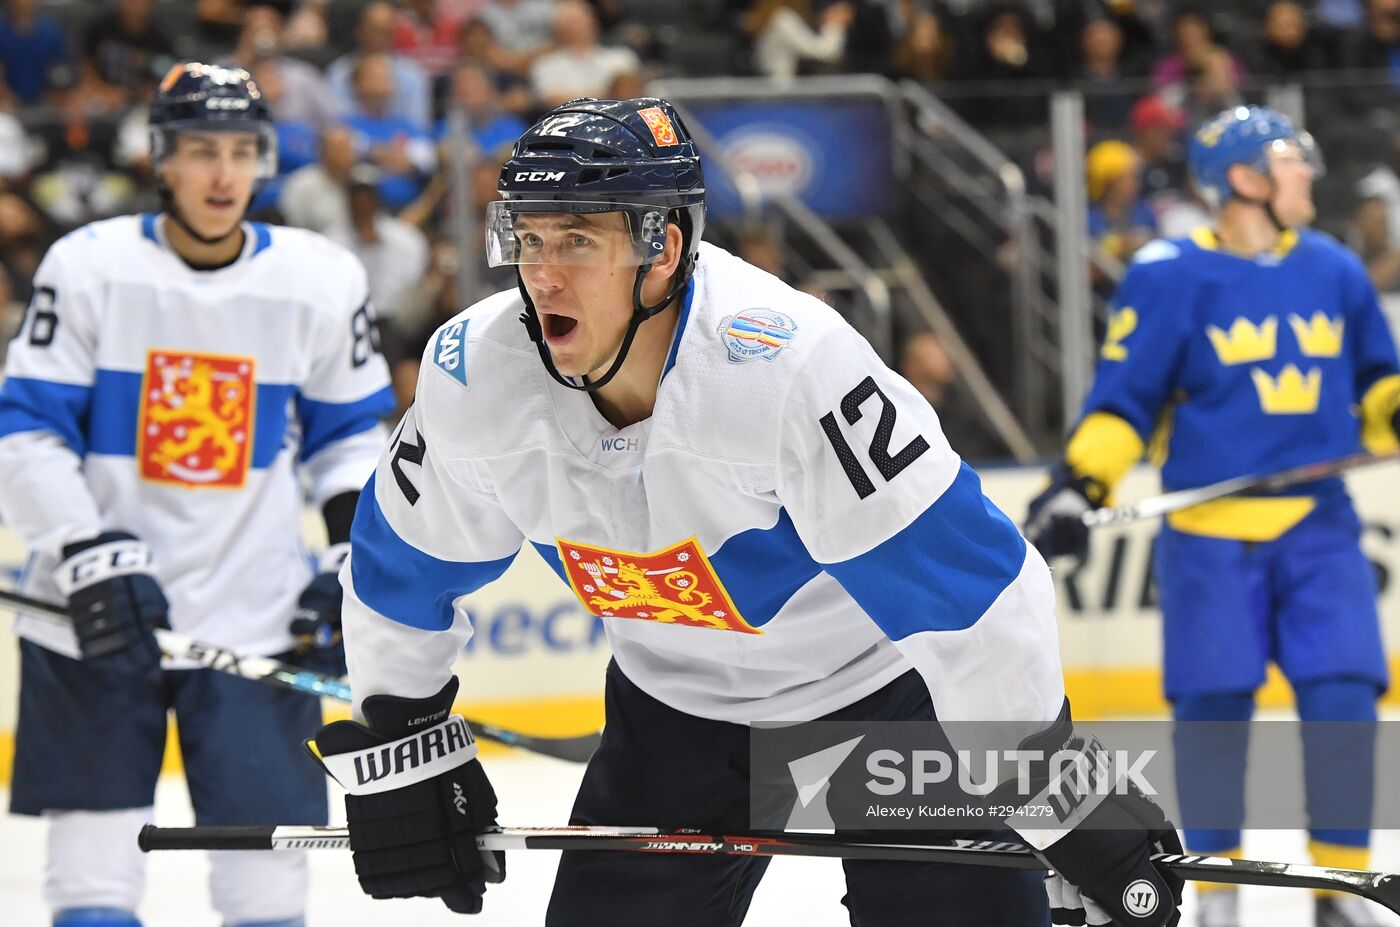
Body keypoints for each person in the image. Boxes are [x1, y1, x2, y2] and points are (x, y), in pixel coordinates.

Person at [306, 96, 1184, 926]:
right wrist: (403, 735)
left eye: (578, 240)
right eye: (528, 238)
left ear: (665, 247)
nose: (540, 274)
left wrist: (1044, 775)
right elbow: (400, 567)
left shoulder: (786, 366)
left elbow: (971, 588)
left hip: (879, 702)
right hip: (672, 715)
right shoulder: (473, 374)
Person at [0, 62, 395, 927]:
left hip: (254, 617)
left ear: (264, 161)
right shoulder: (89, 266)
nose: (224, 174)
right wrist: (83, 546)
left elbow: (350, 439)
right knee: (91, 879)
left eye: (243, 151)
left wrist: (346, 555)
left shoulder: (318, 277)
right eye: (201, 151)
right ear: (160, 160)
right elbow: (24, 430)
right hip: (91, 613)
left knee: (266, 883)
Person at [1025, 106, 1400, 927]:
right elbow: (1124, 402)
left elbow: (1379, 385)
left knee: (1343, 695)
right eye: (1290, 160)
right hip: (1209, 538)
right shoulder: (1168, 275)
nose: (1308, 172)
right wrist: (1078, 484)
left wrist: (1395, 410)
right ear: (1245, 178)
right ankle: (1219, 889)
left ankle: (1344, 887)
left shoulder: (1334, 269)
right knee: (1214, 709)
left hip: (1318, 521)